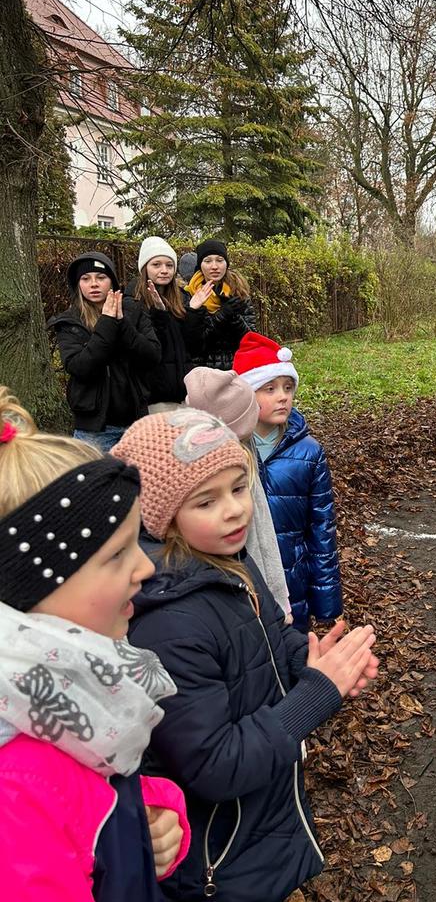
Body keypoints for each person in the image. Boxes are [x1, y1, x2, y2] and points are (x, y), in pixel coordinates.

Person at [112, 409, 378, 902]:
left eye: (239, 488)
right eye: (206, 501)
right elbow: (216, 765)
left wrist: (308, 661)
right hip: (214, 858)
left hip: (254, 829)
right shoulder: (167, 624)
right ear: (160, 513)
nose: (235, 510)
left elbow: (268, 633)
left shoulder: (225, 559)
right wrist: (316, 693)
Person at [0, 386, 190, 902]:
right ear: (27, 588)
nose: (145, 567)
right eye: (116, 555)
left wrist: (155, 814)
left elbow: (99, 795)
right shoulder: (17, 788)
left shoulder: (67, 698)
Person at [233, 332, 343, 631]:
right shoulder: (230, 449)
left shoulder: (309, 453)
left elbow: (322, 531)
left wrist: (327, 605)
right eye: (269, 388)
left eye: (288, 387)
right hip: (242, 582)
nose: (283, 396)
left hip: (293, 585)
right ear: (246, 394)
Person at [184, 365, 292, 619]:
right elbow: (259, 538)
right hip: (248, 598)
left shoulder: (243, 450)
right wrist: (277, 601)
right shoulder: (238, 463)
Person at [49, 252, 161, 451]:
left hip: (136, 422)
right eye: (86, 279)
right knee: (92, 472)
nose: (93, 284)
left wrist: (122, 323)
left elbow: (152, 356)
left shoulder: (133, 310)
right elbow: (80, 367)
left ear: (112, 282)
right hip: (95, 428)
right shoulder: (69, 322)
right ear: (78, 284)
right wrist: (107, 322)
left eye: (101, 277)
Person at [128, 237, 206, 413]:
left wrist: (193, 312)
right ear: (145, 268)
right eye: (156, 265)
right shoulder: (133, 301)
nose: (164, 270)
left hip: (185, 395)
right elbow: (147, 352)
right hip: (154, 397)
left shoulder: (182, 298)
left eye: (169, 265)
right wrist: (159, 315)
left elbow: (193, 348)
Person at [183, 239, 257, 371]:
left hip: (236, 369)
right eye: (208, 261)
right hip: (204, 372)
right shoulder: (190, 295)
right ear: (200, 265)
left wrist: (234, 317)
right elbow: (196, 344)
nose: (214, 266)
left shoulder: (238, 292)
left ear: (226, 264)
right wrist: (223, 314)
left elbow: (251, 338)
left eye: (219, 260)